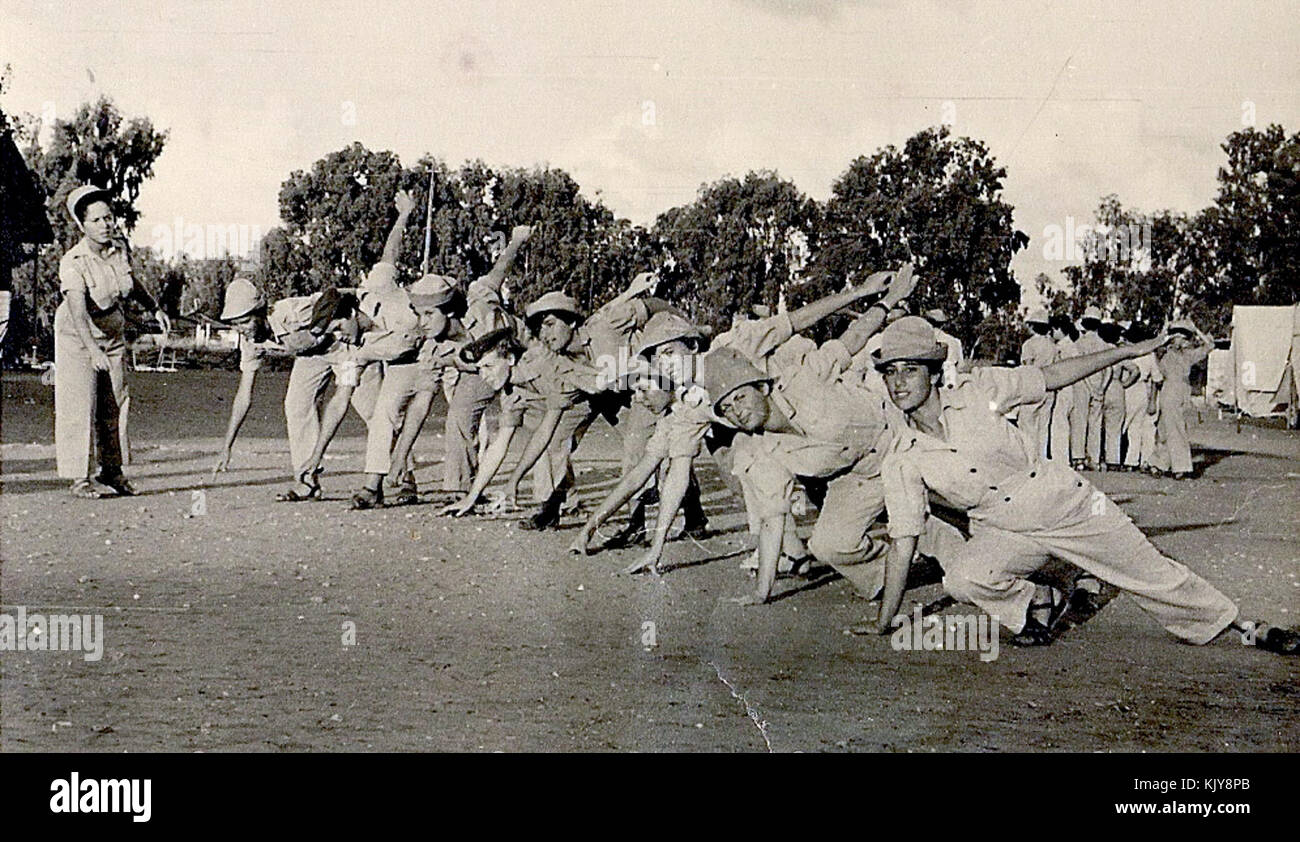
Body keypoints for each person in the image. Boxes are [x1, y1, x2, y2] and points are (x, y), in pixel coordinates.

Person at [861, 316, 1298, 655]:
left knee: (1150, 575)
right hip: (1002, 529)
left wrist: (1132, 349)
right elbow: (903, 541)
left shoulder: (982, 390)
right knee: (963, 578)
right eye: (890, 372)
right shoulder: (902, 454)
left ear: (935, 373)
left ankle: (1247, 628)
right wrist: (885, 623)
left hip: (1066, 504)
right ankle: (1039, 601)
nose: (899, 382)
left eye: (910, 370)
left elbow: (1054, 375)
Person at [54, 185, 171, 498]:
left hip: (112, 334)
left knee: (116, 402)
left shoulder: (118, 249)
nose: (106, 224)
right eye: (97, 220)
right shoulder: (73, 261)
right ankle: (79, 479)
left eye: (109, 217)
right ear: (83, 225)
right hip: (77, 337)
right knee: (79, 403)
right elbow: (78, 312)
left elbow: (132, 283)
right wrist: (92, 350)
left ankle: (112, 471)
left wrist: (154, 308)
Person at [442, 225, 533, 495]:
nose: (423, 322)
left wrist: (517, 241)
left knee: (542, 421)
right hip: (479, 368)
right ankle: (461, 489)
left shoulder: (479, 298)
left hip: (523, 356)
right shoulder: (428, 336)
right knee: (458, 417)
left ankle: (559, 495)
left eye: (429, 314)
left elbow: (499, 270)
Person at [1151, 319, 1213, 479]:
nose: (1181, 340)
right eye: (1178, 336)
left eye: (1184, 336)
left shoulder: (1188, 355)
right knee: (1166, 428)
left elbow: (1210, 346)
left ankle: (1171, 465)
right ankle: (1167, 465)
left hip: (1180, 390)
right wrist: (1165, 331)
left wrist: (1196, 329)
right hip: (1170, 388)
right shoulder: (1164, 353)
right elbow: (1154, 345)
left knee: (1173, 427)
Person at [1121, 320, 1162, 472]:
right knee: (1146, 426)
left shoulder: (1127, 353)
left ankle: (1131, 460)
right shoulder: (1150, 355)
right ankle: (1145, 460)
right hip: (1144, 388)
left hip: (1130, 388)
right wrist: (1152, 400)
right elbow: (1157, 379)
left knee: (1132, 426)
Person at [1075, 305, 1111, 470]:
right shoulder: (1104, 344)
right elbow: (1109, 369)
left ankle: (1078, 457)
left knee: (1080, 421)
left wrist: (1090, 386)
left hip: (1083, 384)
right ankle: (1094, 458)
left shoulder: (1079, 344)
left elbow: (1080, 367)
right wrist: (1101, 388)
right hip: (1098, 385)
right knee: (1096, 423)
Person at [1017, 307, 1056, 460]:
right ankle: (1042, 458)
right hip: (1049, 386)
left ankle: (1029, 458)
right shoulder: (1052, 346)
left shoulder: (1029, 345)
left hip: (1033, 385)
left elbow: (1027, 366)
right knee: (1043, 426)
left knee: (1027, 424)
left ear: (1033, 326)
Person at [1099, 319, 1132, 470]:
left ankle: (1099, 457)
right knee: (1115, 426)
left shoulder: (1101, 351)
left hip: (1102, 386)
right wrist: (1125, 383)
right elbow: (1135, 369)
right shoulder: (1119, 353)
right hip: (1116, 387)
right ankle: (1113, 459)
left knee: (1098, 424)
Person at [1047, 313, 1078, 462]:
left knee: (1059, 424)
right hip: (1071, 388)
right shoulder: (1072, 345)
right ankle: (1063, 457)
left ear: (1059, 329)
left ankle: (1060, 458)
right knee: (1063, 423)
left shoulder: (1062, 347)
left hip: (1064, 387)